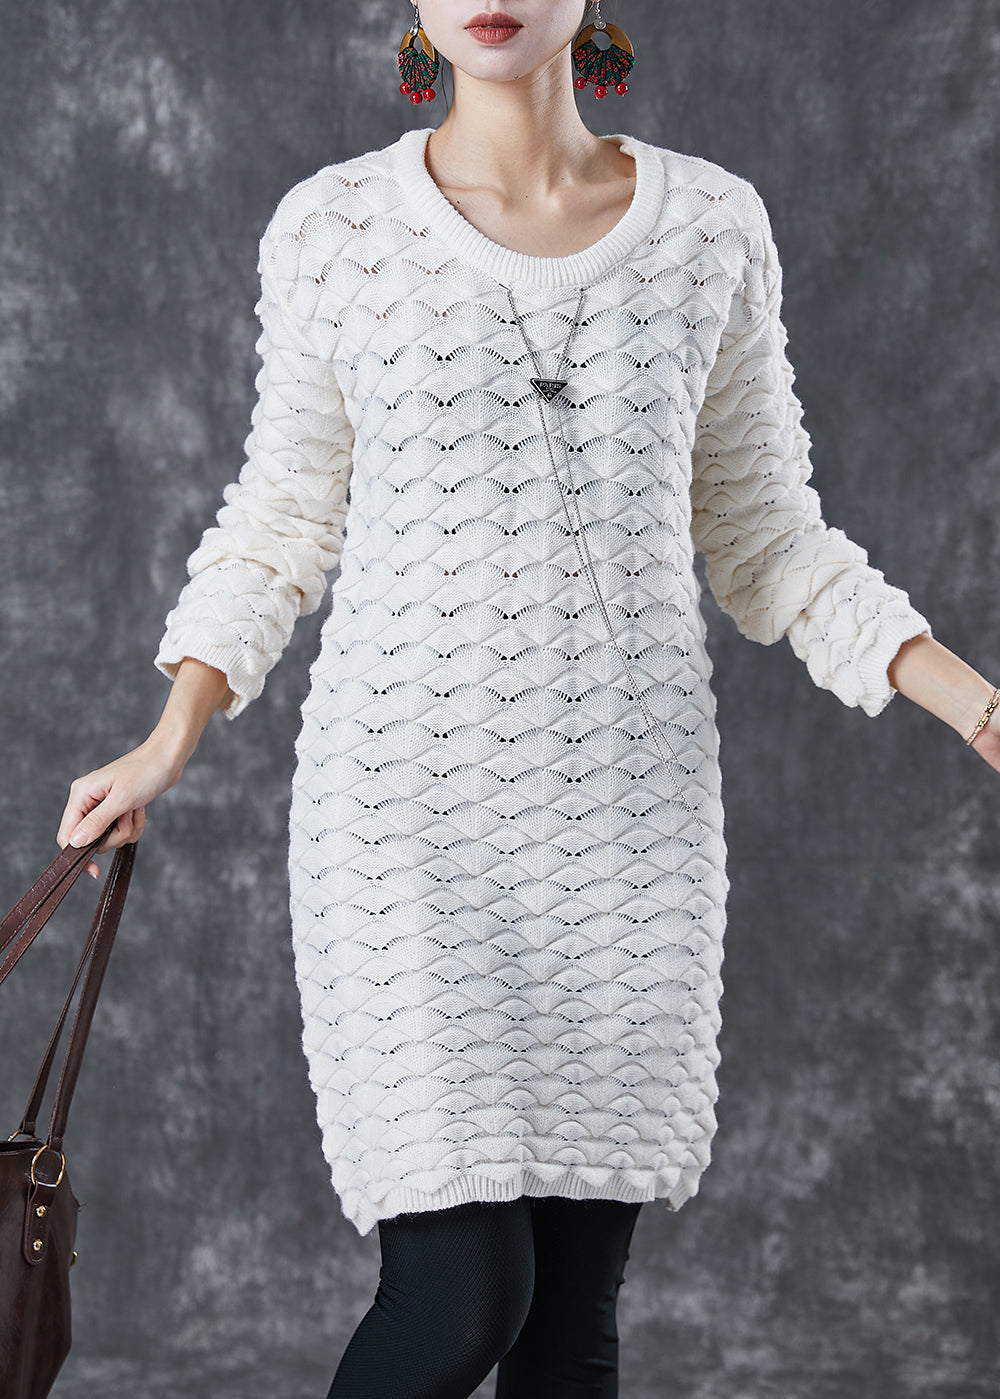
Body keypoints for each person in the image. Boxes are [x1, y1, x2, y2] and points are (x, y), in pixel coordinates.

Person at [56, 3, 999, 1396]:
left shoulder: (711, 230)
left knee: (571, 1323)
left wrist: (978, 706)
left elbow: (769, 539)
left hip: (630, 838)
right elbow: (280, 522)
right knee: (462, 1300)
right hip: (403, 824)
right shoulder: (336, 230)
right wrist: (167, 738)